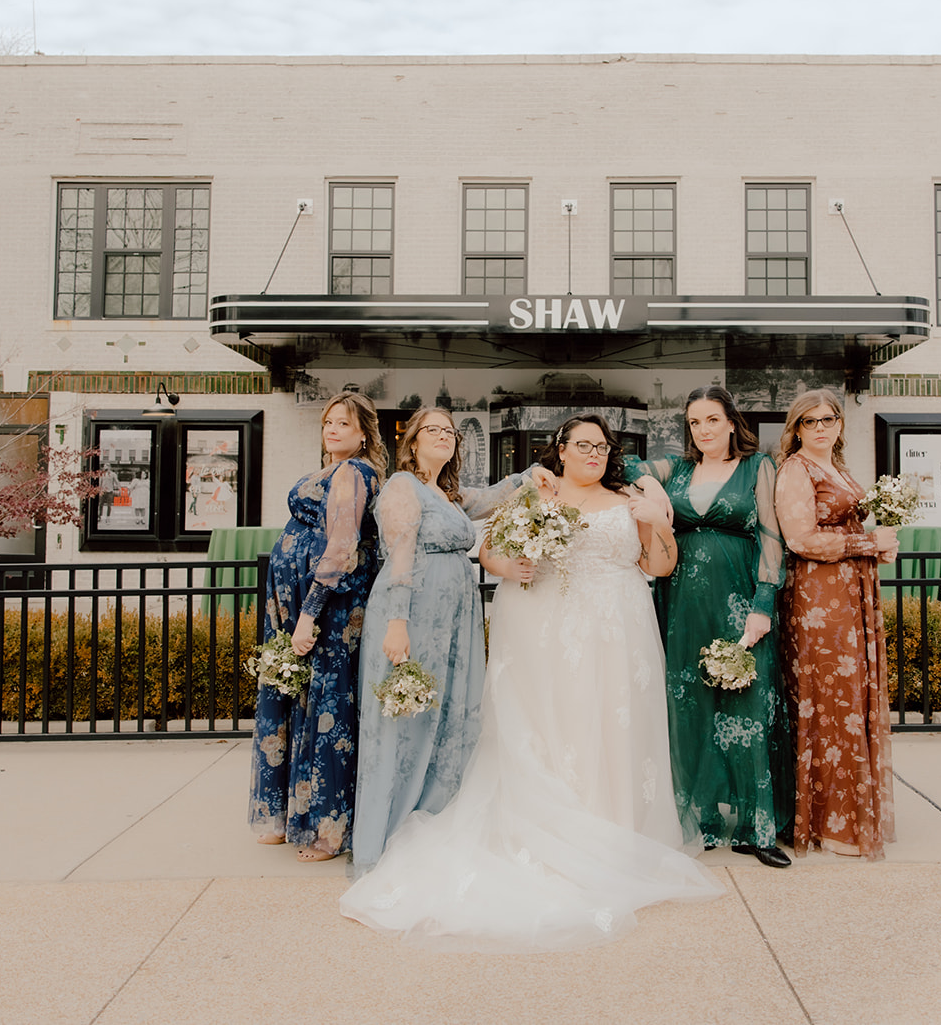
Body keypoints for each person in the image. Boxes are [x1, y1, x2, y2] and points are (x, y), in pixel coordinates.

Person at [340, 413, 722, 952]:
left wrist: (658, 519)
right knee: (556, 722)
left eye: (602, 445)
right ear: (560, 450)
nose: (594, 453)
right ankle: (552, 827)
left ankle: (613, 830)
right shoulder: (535, 492)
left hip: (619, 630)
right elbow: (492, 550)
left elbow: (658, 566)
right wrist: (512, 565)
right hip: (550, 629)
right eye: (583, 444)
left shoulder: (630, 496)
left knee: (612, 725)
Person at [351, 407, 537, 877]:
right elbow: (399, 556)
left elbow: (492, 497)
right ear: (412, 442)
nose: (443, 437)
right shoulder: (402, 487)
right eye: (431, 430)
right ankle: (389, 835)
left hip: (456, 617)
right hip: (414, 611)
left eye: (450, 432)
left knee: (452, 713)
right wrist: (397, 621)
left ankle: (434, 820)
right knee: (408, 717)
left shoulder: (448, 495)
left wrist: (533, 474)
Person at [624, 385, 793, 868]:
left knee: (747, 704)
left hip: (739, 601)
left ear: (731, 422)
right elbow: (626, 468)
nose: (704, 430)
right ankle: (705, 823)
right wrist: (656, 497)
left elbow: (771, 536)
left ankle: (758, 828)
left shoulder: (757, 467)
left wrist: (763, 603)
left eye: (712, 420)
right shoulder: (675, 470)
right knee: (689, 706)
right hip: (679, 603)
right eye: (695, 422)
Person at [249, 392, 386, 862]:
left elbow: (343, 546)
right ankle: (289, 814)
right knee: (296, 699)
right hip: (298, 603)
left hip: (329, 607)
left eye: (343, 424)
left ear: (363, 433)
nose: (332, 429)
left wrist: (309, 613)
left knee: (326, 704)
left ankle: (328, 827)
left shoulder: (354, 472)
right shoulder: (326, 471)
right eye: (328, 422)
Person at [773, 388, 899, 860]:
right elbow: (800, 538)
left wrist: (880, 542)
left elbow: (850, 530)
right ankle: (825, 822)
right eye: (810, 421)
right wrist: (866, 544)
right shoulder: (796, 470)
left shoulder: (838, 469)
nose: (821, 427)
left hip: (851, 592)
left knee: (852, 694)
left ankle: (848, 815)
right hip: (819, 597)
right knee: (830, 698)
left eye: (828, 419)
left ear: (840, 424)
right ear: (797, 429)